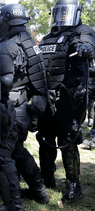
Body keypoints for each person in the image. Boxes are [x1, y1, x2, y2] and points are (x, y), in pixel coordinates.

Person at [0, 3, 50, 206]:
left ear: (7, 21)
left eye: (0, 21)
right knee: (16, 150)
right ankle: (39, 190)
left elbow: (6, 82)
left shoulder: (7, 46)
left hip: (13, 109)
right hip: (25, 107)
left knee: (0, 156)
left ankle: (13, 205)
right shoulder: (28, 41)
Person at [37, 0, 95, 203]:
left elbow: (87, 43)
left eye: (66, 12)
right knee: (44, 138)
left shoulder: (81, 30)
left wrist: (85, 48)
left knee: (67, 141)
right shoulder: (47, 37)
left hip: (69, 97)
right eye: (60, 12)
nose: (63, 16)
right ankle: (47, 178)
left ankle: (73, 186)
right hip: (47, 96)